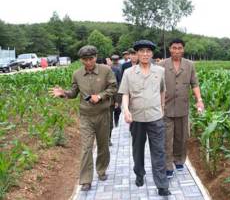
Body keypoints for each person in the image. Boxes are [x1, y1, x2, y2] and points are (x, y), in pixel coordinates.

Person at [49, 45, 117, 191]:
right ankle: (86, 179)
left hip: (103, 114)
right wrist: (64, 93)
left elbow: (113, 87)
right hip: (86, 116)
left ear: (96, 57)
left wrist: (99, 96)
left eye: (91, 59)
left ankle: (101, 169)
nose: (88, 62)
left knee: (103, 145)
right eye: (85, 60)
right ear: (81, 60)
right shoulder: (77, 74)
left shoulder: (106, 71)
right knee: (86, 148)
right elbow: (74, 92)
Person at [118, 40, 171, 196]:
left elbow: (162, 90)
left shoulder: (159, 71)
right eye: (142, 51)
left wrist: (162, 108)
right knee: (138, 150)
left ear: (152, 54)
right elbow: (125, 93)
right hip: (137, 118)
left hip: (155, 117)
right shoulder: (129, 73)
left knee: (159, 151)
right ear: (137, 54)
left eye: (148, 51)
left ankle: (162, 184)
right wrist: (126, 110)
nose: (145, 54)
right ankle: (139, 174)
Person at [159, 38, 205, 178]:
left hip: (182, 107)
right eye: (174, 48)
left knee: (181, 136)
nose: (177, 50)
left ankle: (179, 160)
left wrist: (199, 100)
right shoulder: (162, 65)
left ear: (183, 49)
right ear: (170, 49)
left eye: (179, 48)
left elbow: (194, 84)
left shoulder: (190, 65)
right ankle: (168, 166)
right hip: (165, 107)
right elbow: (157, 86)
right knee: (167, 138)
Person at [109, 55, 122, 138]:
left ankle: (116, 119)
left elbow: (119, 82)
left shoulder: (117, 69)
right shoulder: (105, 70)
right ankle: (108, 138)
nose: (115, 61)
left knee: (118, 109)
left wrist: (118, 97)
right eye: (113, 60)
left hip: (116, 93)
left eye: (116, 59)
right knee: (109, 121)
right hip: (107, 98)